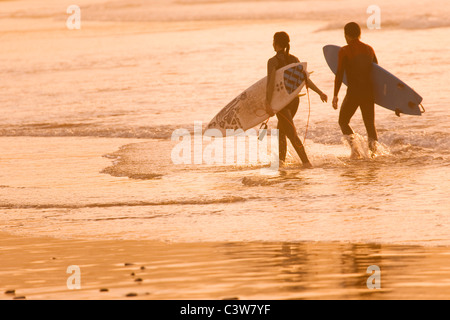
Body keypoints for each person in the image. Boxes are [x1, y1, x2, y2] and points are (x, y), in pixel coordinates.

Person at [265, 31, 328, 168]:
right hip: (294, 101)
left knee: (291, 133)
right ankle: (281, 162)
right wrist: (320, 92)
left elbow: (270, 84)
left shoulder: (273, 61)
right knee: (281, 131)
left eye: (273, 41)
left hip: (281, 103)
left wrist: (268, 103)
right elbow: (305, 80)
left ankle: (306, 163)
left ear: (276, 43)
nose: (272, 44)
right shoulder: (294, 59)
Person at [332, 22, 379, 156]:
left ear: (346, 35)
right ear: (359, 34)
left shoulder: (344, 50)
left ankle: (356, 149)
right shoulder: (369, 49)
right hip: (368, 92)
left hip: (354, 92)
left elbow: (339, 74)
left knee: (343, 121)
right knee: (370, 124)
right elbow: (377, 72)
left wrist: (335, 95)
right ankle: (373, 154)